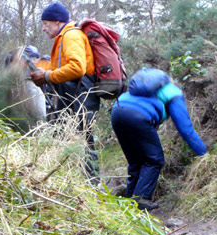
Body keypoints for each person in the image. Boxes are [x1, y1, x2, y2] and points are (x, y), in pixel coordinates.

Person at [111, 68, 207, 211]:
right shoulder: (174, 95)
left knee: (135, 161)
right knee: (154, 160)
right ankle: (141, 199)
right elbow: (186, 129)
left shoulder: (146, 90)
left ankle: (130, 200)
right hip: (138, 116)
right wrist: (204, 153)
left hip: (117, 110)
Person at [30, 1, 101, 184]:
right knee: (68, 137)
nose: (44, 28)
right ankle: (72, 181)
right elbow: (57, 70)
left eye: (46, 24)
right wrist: (41, 73)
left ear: (57, 21)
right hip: (75, 97)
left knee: (84, 140)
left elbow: (77, 69)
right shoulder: (63, 39)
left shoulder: (71, 36)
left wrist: (46, 76)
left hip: (81, 98)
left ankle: (92, 185)